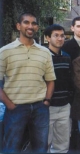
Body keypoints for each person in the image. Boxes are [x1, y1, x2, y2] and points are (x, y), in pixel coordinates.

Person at [0, 12, 56, 153]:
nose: (30, 26)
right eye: (26, 22)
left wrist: (47, 101)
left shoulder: (45, 52)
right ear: (19, 26)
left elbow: (50, 80)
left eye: (34, 23)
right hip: (15, 109)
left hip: (40, 109)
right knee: (11, 148)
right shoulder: (5, 52)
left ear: (37, 28)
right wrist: (10, 105)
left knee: (40, 148)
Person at [44, 24, 73, 153]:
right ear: (47, 38)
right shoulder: (42, 56)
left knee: (62, 145)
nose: (60, 38)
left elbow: (70, 80)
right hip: (46, 107)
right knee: (43, 143)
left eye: (62, 36)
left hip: (64, 107)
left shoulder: (67, 57)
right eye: (56, 35)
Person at [62, 16, 80, 152]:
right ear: (72, 28)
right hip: (72, 92)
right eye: (78, 26)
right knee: (73, 124)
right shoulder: (66, 46)